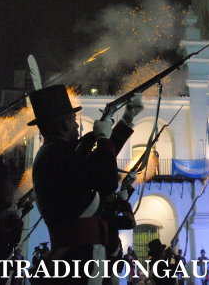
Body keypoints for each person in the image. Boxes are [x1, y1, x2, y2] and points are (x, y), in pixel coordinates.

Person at [29, 85, 143, 284]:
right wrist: (101, 138)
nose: (77, 126)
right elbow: (106, 179)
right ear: (64, 123)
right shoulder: (56, 154)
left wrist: (127, 119)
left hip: (79, 254)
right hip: (77, 256)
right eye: (73, 121)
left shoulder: (56, 151)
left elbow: (97, 162)